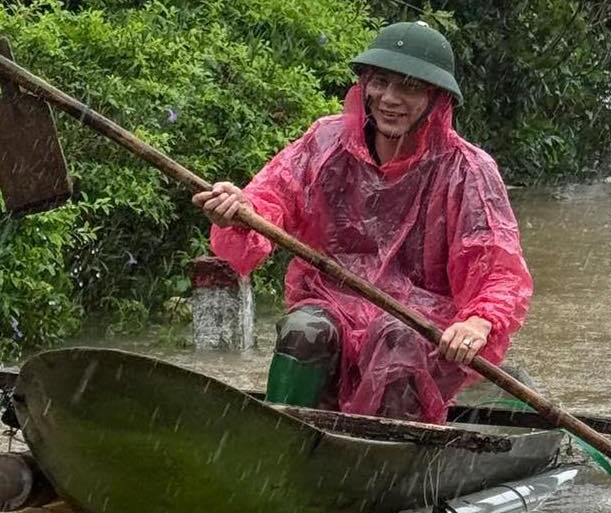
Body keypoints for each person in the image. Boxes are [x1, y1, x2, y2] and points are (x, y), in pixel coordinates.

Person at [192, 21, 532, 424]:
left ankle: (393, 456)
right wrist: (238, 213)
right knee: (304, 330)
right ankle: (284, 434)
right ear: (365, 85)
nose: (390, 99)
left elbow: (497, 268)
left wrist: (478, 321)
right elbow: (269, 201)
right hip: (332, 302)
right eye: (381, 82)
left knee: (398, 338)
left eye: (409, 87)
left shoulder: (467, 169)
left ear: (435, 99)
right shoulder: (325, 143)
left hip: (422, 323)